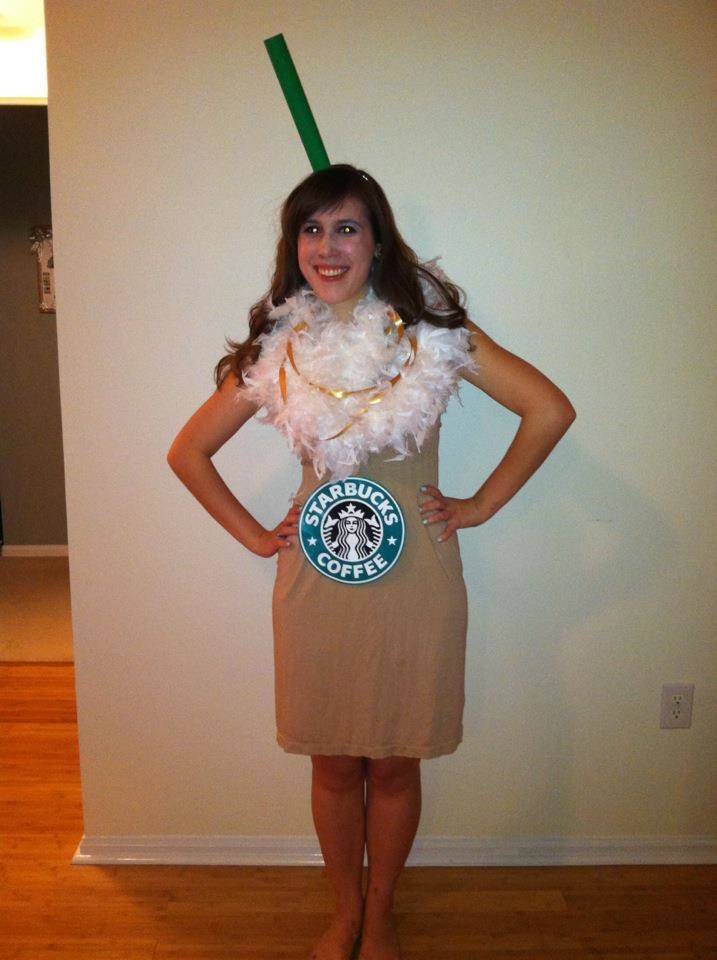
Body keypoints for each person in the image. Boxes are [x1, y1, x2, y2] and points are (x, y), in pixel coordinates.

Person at [167, 163, 576, 960]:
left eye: (346, 228)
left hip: (415, 578)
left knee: (392, 765)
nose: (327, 246)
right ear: (293, 247)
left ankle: (381, 913)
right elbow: (187, 452)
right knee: (330, 763)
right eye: (311, 229)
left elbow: (547, 410)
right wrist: (255, 536)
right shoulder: (279, 349)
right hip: (318, 581)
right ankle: (343, 912)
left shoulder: (433, 336)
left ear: (377, 242)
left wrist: (479, 505)